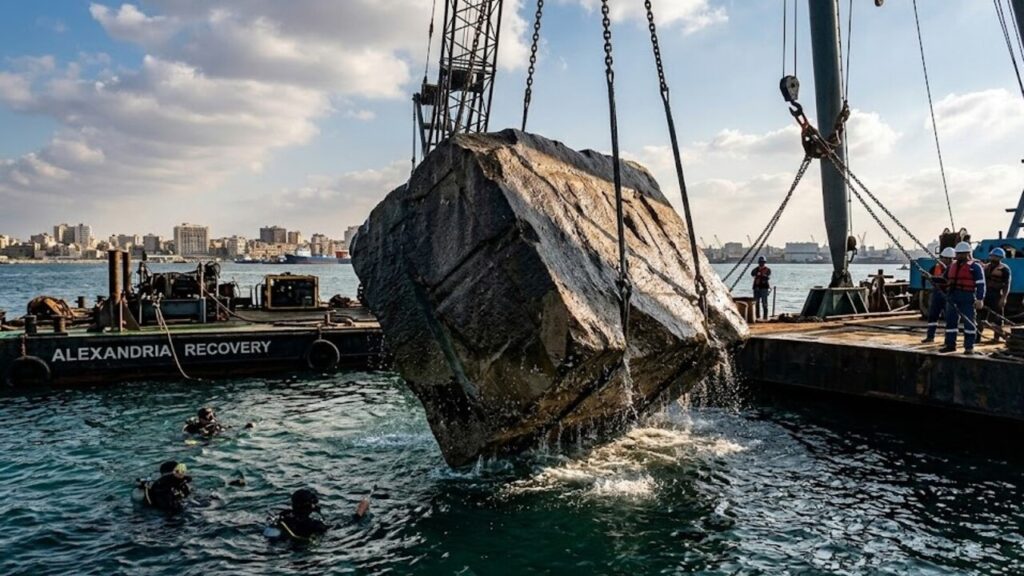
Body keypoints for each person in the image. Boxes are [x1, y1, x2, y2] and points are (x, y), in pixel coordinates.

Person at [941, 242, 986, 355]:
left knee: (969, 322)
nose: (960, 256)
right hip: (952, 296)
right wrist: (930, 278)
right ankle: (950, 345)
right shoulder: (952, 266)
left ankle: (969, 346)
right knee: (951, 321)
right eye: (958, 254)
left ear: (968, 254)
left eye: (962, 254)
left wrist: (980, 299)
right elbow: (943, 279)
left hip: (967, 296)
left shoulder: (975, 266)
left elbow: (981, 284)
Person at [921, 247, 955, 343]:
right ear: (942, 257)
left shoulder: (954, 269)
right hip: (937, 293)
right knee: (933, 315)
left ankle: (948, 340)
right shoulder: (935, 268)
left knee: (949, 317)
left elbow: (945, 280)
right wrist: (927, 279)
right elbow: (930, 279)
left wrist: (931, 278)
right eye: (946, 258)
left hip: (949, 294)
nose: (948, 261)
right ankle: (930, 336)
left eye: (951, 259)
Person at [980, 247, 1012, 343]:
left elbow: (1007, 285)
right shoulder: (985, 267)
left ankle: (996, 338)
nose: (994, 258)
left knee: (997, 318)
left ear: (1000, 258)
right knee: (980, 316)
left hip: (996, 295)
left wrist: (1003, 298)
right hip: (985, 294)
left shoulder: (1004, 269)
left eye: (996, 257)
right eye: (993, 256)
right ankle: (977, 337)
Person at [750, 256, 772, 321]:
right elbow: (752, 274)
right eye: (760, 262)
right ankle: (757, 317)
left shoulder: (768, 270)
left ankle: (765, 317)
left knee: (764, 303)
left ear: (765, 262)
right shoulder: (755, 269)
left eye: (763, 262)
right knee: (756, 303)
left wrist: (761, 275)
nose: (761, 263)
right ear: (758, 262)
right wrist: (758, 274)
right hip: (756, 288)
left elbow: (767, 276)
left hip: (764, 288)